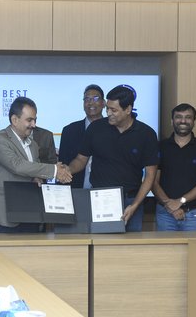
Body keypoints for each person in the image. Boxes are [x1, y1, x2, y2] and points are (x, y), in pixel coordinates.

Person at [68, 84, 159, 231]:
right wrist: (66, 170)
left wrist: (135, 205)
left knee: (131, 244)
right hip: (101, 199)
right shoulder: (95, 128)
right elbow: (81, 160)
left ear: (128, 109)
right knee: (101, 243)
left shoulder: (146, 134)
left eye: (114, 110)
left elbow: (150, 174)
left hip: (131, 200)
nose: (108, 113)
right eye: (107, 109)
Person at [0, 96, 72, 233]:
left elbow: (33, 170)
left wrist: (37, 177)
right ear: (14, 120)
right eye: (29, 120)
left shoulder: (33, 145)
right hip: (3, 215)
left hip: (29, 213)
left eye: (35, 120)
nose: (34, 125)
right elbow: (17, 166)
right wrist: (55, 170)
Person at [153, 103, 196, 231]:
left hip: (194, 214)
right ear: (172, 121)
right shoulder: (159, 147)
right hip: (165, 213)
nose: (183, 121)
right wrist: (169, 205)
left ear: (194, 122)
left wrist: (180, 201)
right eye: (178, 117)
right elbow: (153, 181)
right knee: (165, 246)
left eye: (188, 117)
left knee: (195, 246)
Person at [60, 84, 105, 188]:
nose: (91, 102)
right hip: (76, 190)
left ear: (103, 103)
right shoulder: (69, 131)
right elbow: (63, 164)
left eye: (95, 98)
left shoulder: (113, 129)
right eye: (87, 99)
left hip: (105, 191)